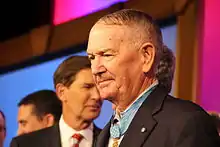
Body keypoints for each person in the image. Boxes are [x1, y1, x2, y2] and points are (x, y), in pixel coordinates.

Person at [87, 9, 220, 147]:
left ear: (146, 56)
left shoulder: (186, 123)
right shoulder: (104, 134)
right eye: (92, 57)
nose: (96, 69)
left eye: (107, 55)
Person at [10, 56, 103, 147]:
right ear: (61, 92)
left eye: (99, 87)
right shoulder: (24, 144)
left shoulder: (113, 141)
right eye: (87, 87)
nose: (97, 96)